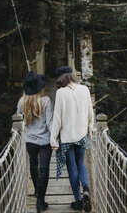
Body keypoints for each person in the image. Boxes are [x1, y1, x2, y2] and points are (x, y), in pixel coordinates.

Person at [50, 66, 94, 212]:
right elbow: (90, 114)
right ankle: (86, 188)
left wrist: (53, 140)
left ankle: (78, 201)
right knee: (81, 163)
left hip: (67, 138)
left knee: (72, 167)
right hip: (81, 135)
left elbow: (57, 120)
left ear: (60, 78)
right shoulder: (85, 89)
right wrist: (89, 130)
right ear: (71, 75)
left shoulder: (61, 93)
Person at [16, 71, 53, 213]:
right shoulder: (46, 101)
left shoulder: (22, 101)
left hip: (30, 140)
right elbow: (49, 123)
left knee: (33, 163)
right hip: (45, 141)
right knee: (44, 170)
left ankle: (37, 190)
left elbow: (18, 119)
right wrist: (55, 138)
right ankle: (40, 201)